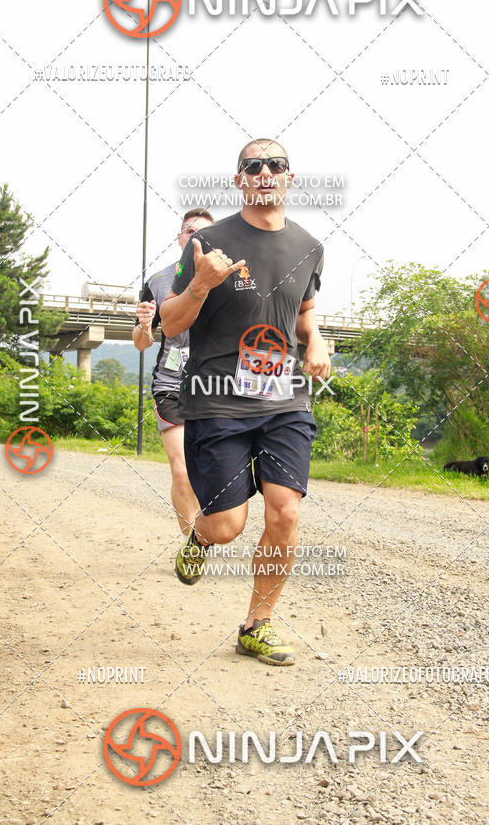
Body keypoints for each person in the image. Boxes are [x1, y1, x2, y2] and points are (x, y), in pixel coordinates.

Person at [160, 140, 330, 666]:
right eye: (252, 166)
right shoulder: (210, 242)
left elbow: (304, 314)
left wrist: (317, 342)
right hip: (218, 400)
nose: (263, 172)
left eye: (273, 165)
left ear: (289, 177)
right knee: (226, 526)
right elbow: (170, 322)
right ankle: (200, 538)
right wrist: (200, 286)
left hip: (283, 399)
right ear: (239, 179)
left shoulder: (309, 245)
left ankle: (258, 625)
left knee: (286, 510)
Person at [133, 208, 214, 535]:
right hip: (171, 384)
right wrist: (142, 326)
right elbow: (141, 343)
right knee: (181, 471)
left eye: (205, 234)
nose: (196, 238)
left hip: (216, 386)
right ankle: (193, 540)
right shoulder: (158, 281)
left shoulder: (231, 279)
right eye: (190, 231)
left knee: (208, 471)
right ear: (179, 237)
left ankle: (207, 526)